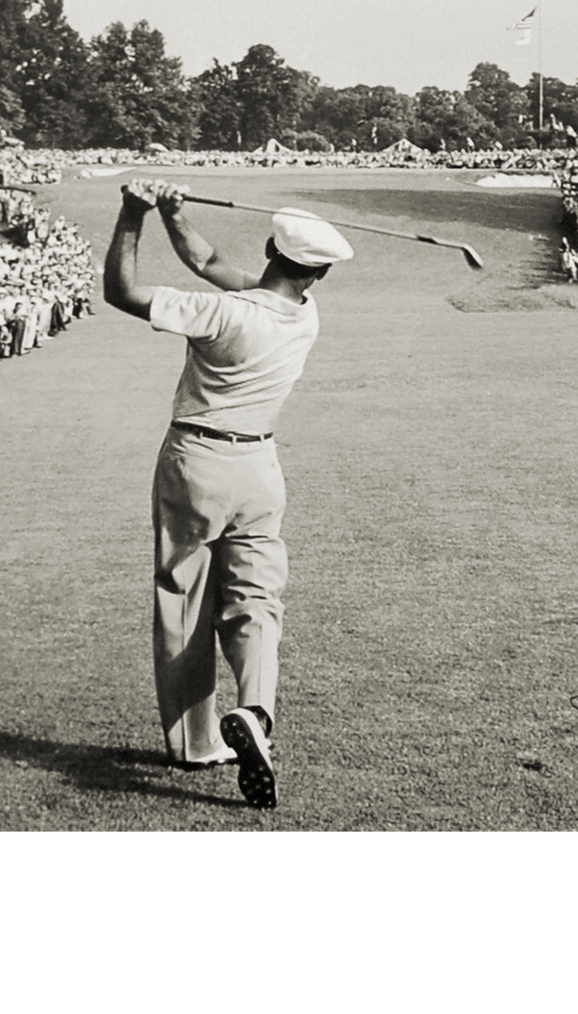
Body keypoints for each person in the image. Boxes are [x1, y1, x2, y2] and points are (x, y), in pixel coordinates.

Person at [103, 179, 353, 810]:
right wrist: (175, 215)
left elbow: (122, 292)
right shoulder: (305, 315)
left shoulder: (223, 314)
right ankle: (257, 712)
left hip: (196, 461)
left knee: (184, 598)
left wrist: (133, 216)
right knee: (255, 599)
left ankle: (196, 741)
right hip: (260, 467)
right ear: (318, 272)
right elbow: (209, 262)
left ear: (271, 246)